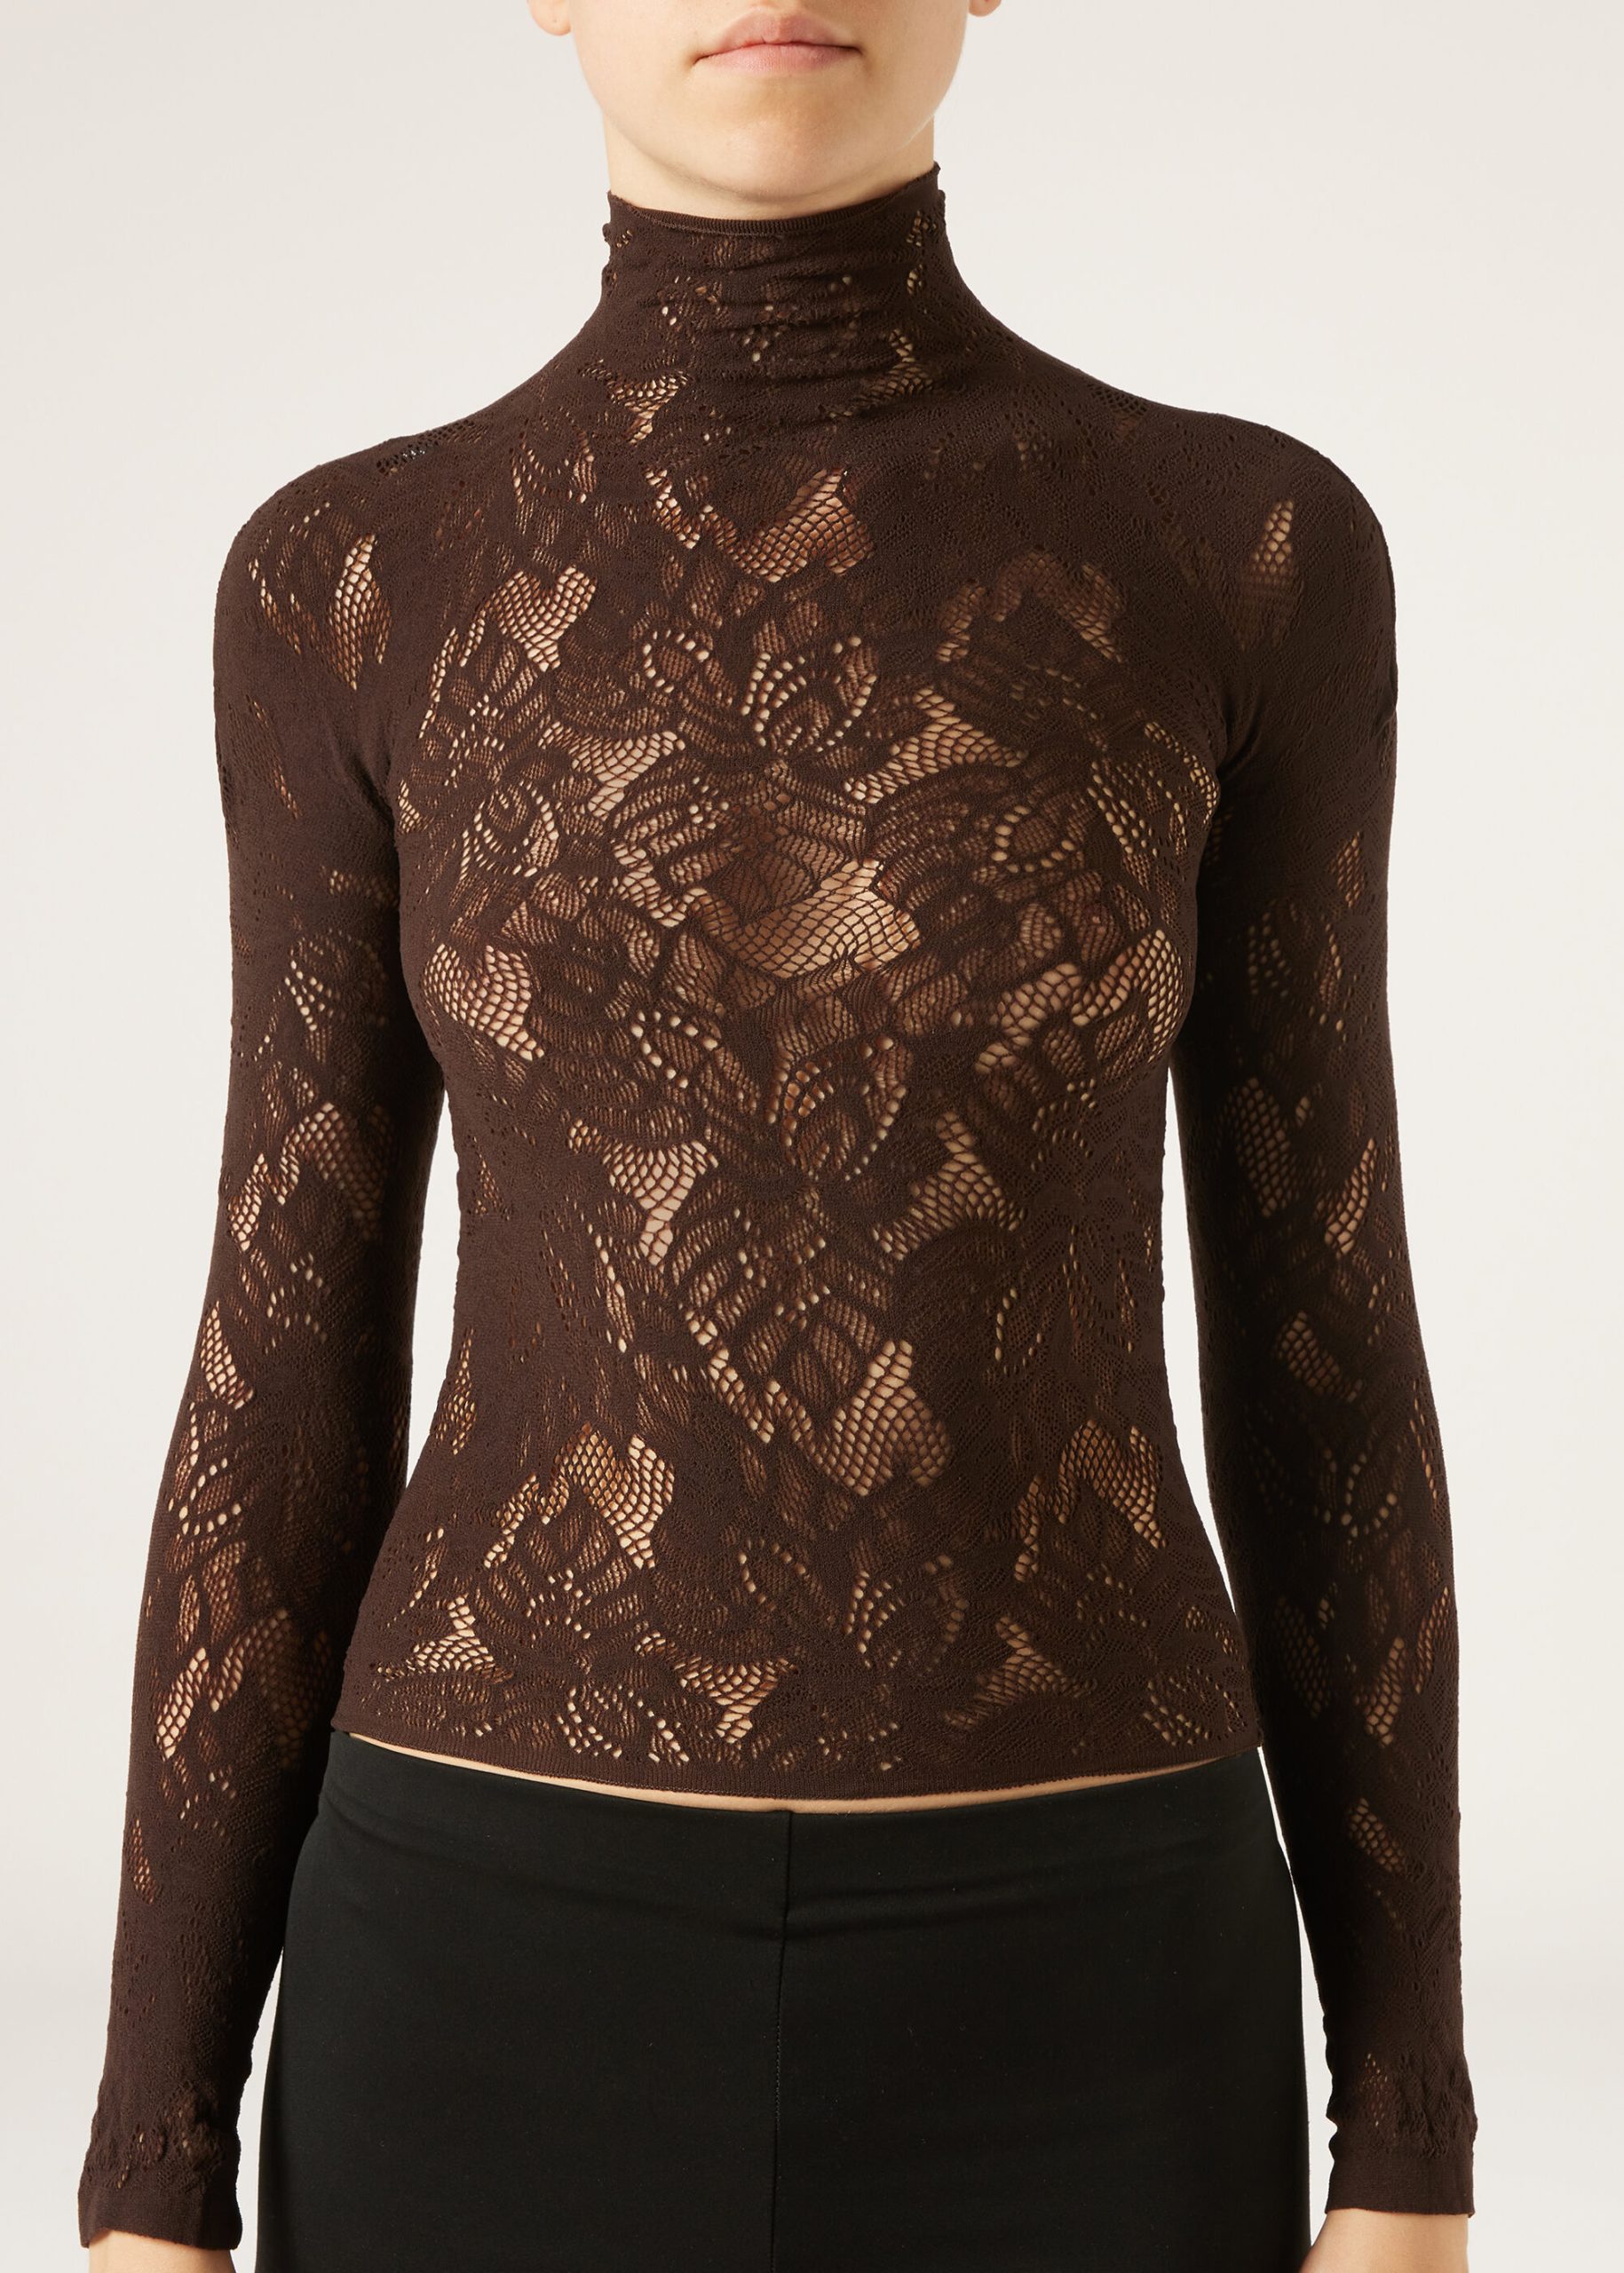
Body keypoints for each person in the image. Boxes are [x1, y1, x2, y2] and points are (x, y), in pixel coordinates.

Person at [77, 3, 1478, 2268]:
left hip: (1097, 1985)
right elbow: (279, 1353)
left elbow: (1326, 1331)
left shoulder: (1244, 546)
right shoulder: (348, 575)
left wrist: (1408, 2134)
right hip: (479, 1975)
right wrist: (154, 2167)